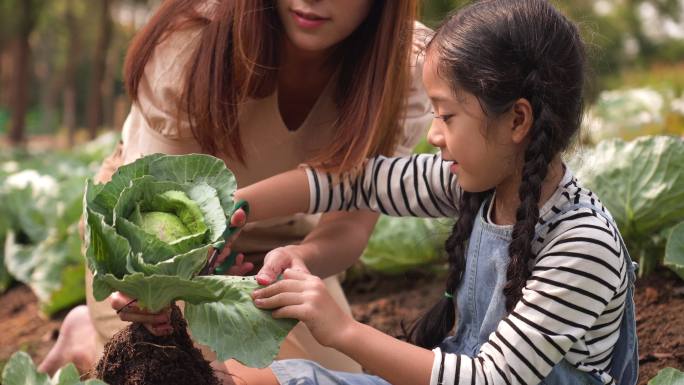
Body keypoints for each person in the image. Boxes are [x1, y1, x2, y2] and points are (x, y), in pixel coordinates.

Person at [130, 0, 636, 383]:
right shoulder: (474, 180)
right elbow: (356, 180)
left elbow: (491, 378)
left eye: (447, 116)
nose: (434, 135)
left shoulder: (581, 245)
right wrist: (230, 209)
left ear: (517, 120)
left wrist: (344, 332)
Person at [38, 0, 432, 375]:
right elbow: (151, 213)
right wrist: (146, 288)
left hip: (281, 248)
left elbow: (348, 228)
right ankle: (91, 341)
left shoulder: (404, 68)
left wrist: (295, 260)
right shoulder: (192, 38)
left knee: (328, 377)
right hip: (163, 255)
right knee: (186, 373)